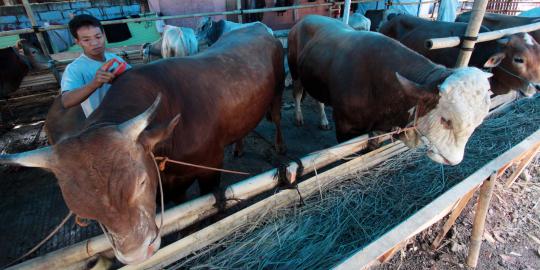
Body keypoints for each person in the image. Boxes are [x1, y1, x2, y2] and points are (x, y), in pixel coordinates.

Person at [61, 14, 131, 117]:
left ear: (104, 35)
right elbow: (66, 101)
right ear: (78, 42)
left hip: (126, 113)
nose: (94, 43)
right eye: (86, 40)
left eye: (98, 37)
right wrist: (94, 83)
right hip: (101, 122)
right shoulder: (74, 68)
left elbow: (132, 76)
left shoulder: (114, 58)